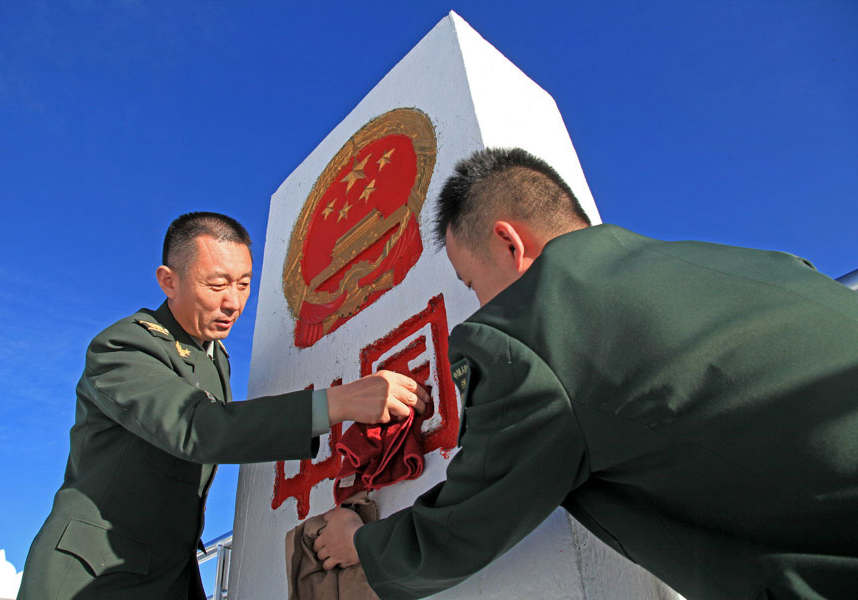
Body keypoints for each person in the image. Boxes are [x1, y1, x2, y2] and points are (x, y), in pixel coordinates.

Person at [315, 148, 858, 600]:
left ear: (510, 243)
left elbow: (469, 523)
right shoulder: (759, 264)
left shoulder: (528, 330)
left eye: (469, 281)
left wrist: (360, 544)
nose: (475, 303)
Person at [17, 212, 428, 600]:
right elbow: (200, 427)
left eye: (244, 284)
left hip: (169, 575)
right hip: (93, 575)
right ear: (168, 281)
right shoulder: (124, 347)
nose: (233, 302)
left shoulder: (215, 359)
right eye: (217, 285)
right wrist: (337, 403)